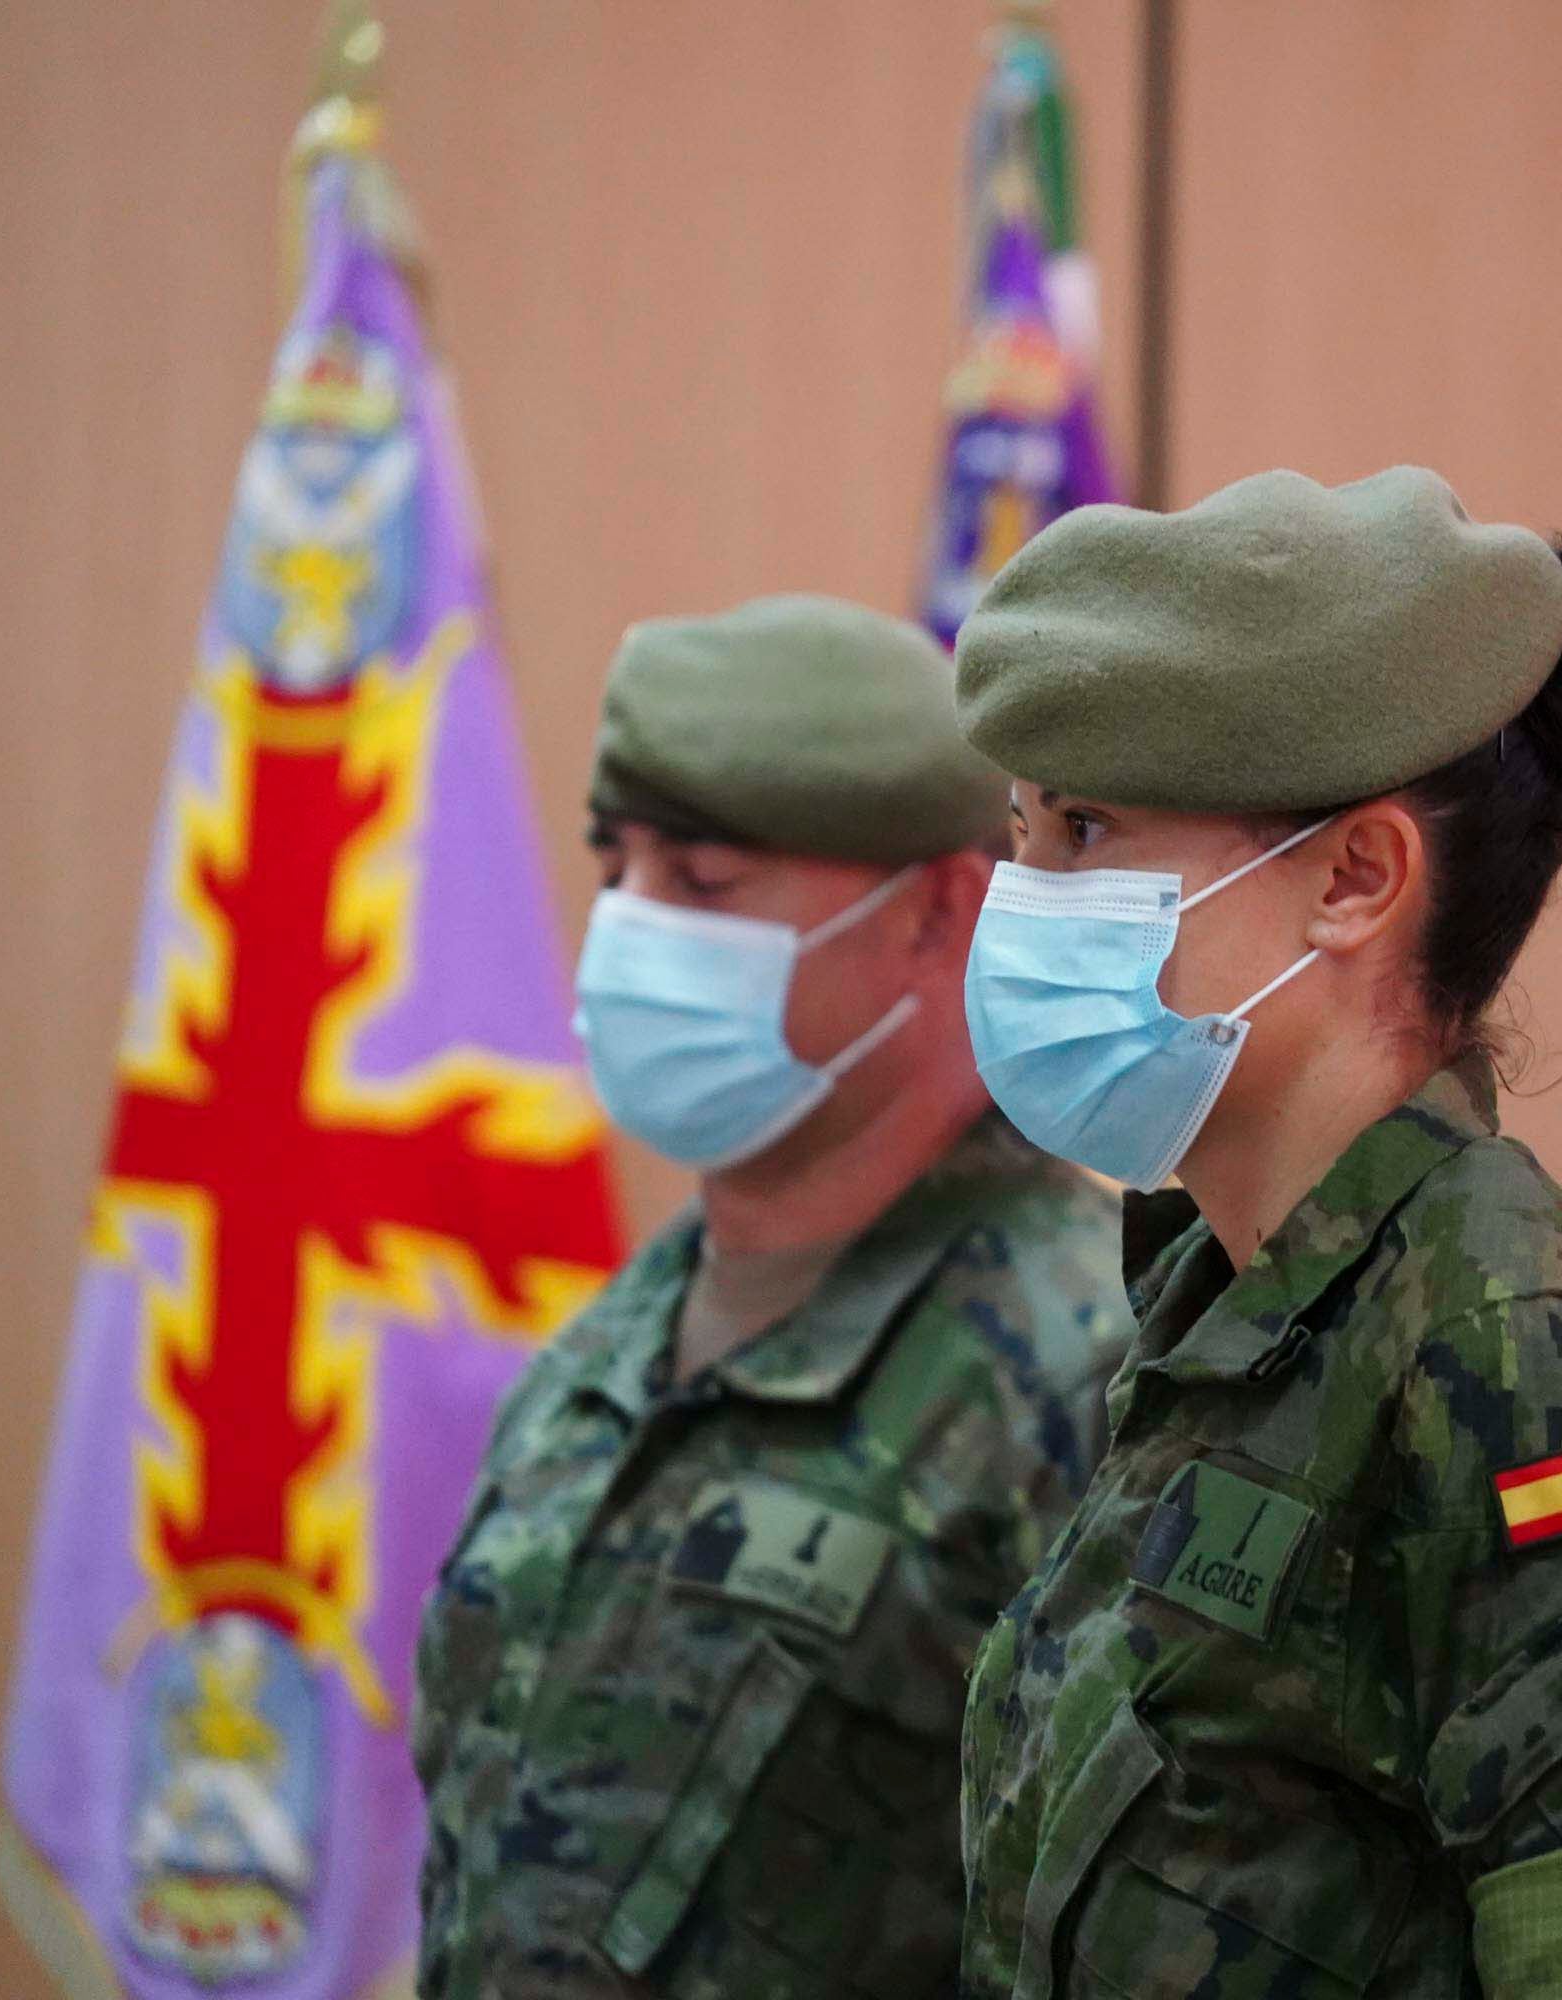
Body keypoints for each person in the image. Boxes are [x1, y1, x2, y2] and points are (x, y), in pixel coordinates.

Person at [944, 465, 1562, 1999]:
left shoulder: (1507, 1359)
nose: (1022, 901)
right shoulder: (1229, 1314)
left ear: (1355, 880)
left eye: (1088, 832)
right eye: (1023, 830)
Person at [410, 595, 1134, 1998]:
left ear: (941, 911)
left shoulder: (1085, 1371)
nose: (626, 927)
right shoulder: (605, 1348)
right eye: (615, 867)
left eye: (703, 880)